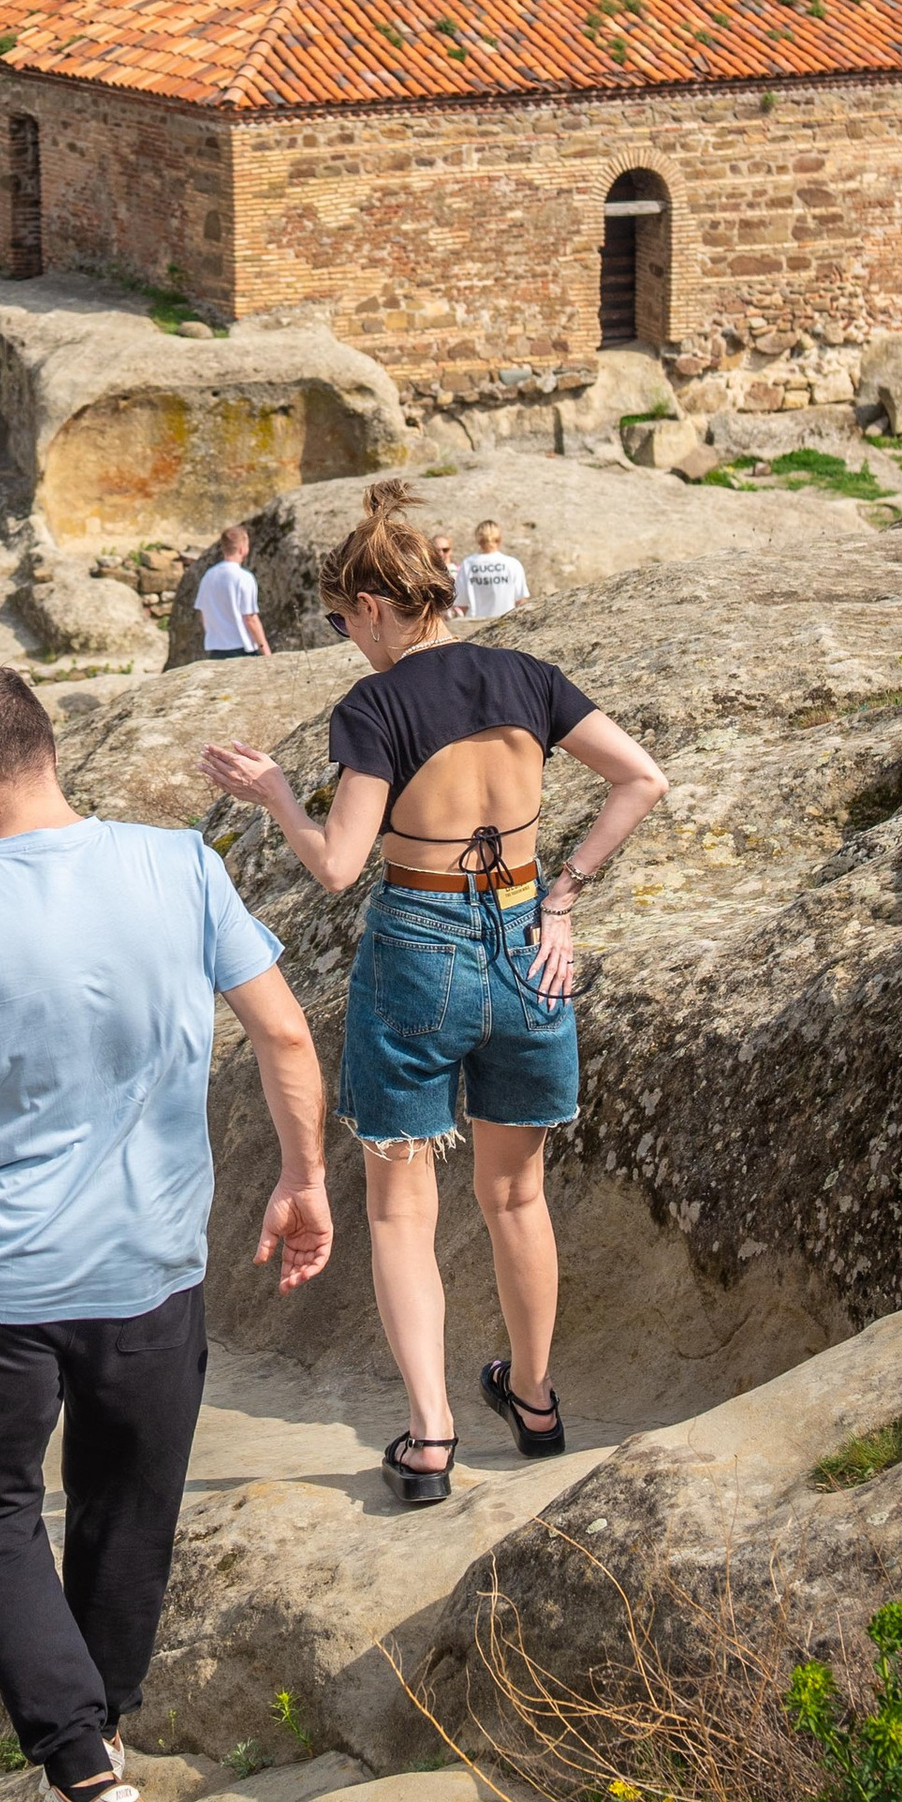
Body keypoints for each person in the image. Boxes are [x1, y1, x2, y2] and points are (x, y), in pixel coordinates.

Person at [0, 663, 331, 1802]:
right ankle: (100, 1745)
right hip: (153, 1265)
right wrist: (303, 1175)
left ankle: (87, 1785)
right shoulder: (182, 864)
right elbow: (282, 1029)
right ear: (46, 753)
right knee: (125, 1504)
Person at [202, 481, 666, 1510]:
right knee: (516, 1196)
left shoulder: (376, 706)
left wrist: (275, 794)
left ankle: (430, 1438)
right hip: (526, 944)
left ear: (373, 607)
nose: (346, 640)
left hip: (418, 943)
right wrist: (561, 898)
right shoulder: (529, 674)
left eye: (341, 621)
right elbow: (641, 778)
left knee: (400, 1210)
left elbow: (336, 865)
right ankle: (534, 1403)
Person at [193, 526, 269, 660]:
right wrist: (266, 653)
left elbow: (203, 612)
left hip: (216, 648)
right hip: (242, 647)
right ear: (242, 549)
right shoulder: (244, 577)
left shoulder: (209, 576)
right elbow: (250, 618)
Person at [452, 520, 529, 625]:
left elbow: (461, 601)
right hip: (506, 623)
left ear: (478, 539)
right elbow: (521, 600)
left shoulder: (468, 564)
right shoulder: (512, 564)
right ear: (499, 539)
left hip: (476, 623)